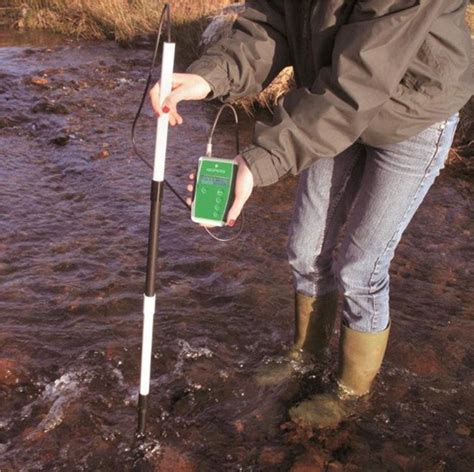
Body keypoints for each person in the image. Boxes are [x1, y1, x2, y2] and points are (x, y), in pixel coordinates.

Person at [150, 1, 472, 428]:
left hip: (413, 115)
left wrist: (260, 160)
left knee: (361, 268)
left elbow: (358, 83)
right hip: (328, 99)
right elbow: (271, 23)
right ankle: (305, 356)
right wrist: (210, 76)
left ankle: (349, 394)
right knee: (305, 249)